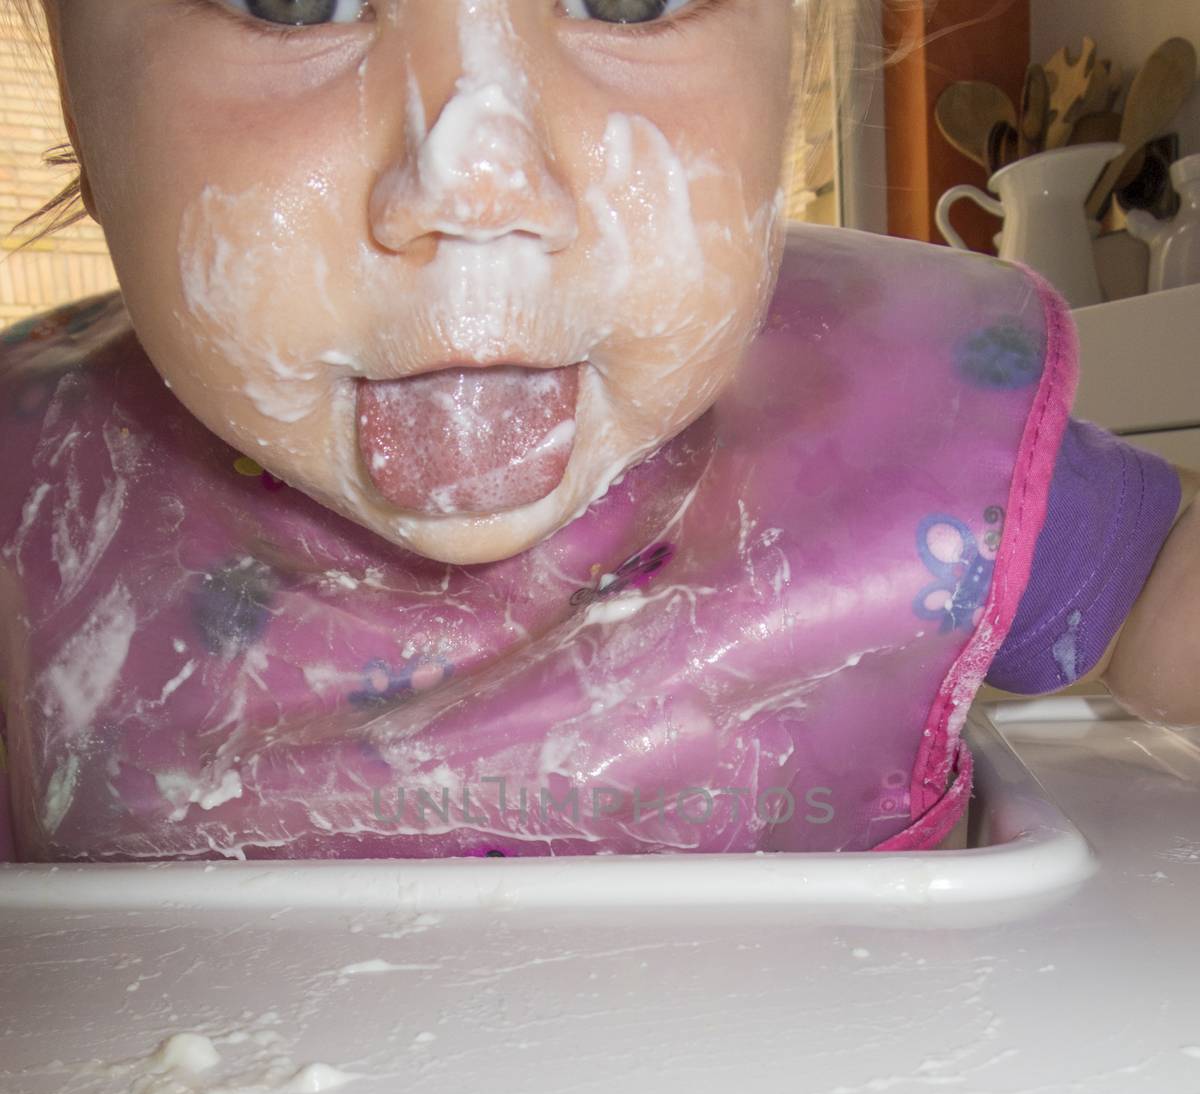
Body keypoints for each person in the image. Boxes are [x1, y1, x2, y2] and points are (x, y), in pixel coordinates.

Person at [0, 0, 1195, 862]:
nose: (478, 176)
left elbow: (1162, 600)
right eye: (294, 2)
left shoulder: (898, 429)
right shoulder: (31, 514)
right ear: (75, 93)